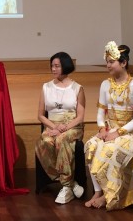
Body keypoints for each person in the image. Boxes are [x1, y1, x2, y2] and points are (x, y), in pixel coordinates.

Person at [84, 42, 133, 210]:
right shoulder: (105, 84)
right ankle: (98, 191)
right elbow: (100, 112)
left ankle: (108, 194)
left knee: (109, 150)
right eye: (107, 61)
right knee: (90, 145)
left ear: (123, 63)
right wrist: (102, 128)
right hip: (109, 129)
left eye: (111, 61)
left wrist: (118, 133)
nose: (108, 65)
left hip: (129, 132)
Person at [35, 52, 86, 204]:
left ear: (65, 66)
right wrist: (54, 127)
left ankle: (65, 186)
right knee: (44, 142)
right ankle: (70, 183)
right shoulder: (46, 87)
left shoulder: (78, 88)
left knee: (62, 140)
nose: (53, 69)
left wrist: (63, 128)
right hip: (52, 125)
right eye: (52, 66)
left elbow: (80, 117)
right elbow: (40, 115)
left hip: (72, 126)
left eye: (57, 66)